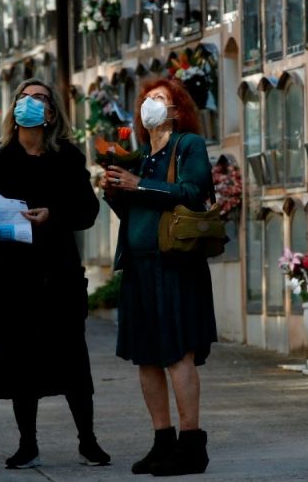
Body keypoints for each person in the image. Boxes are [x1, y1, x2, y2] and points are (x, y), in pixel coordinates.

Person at [0, 78, 110, 469]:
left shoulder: (66, 157)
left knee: (72, 358)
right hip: (15, 277)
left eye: (40, 99)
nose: (31, 104)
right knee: (20, 360)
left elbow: (87, 211)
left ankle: (88, 440)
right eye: (25, 98)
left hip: (59, 273)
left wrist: (53, 215)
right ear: (14, 108)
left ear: (51, 113)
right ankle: (27, 443)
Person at [101, 78, 217, 476]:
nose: (150, 104)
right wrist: (117, 192)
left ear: (176, 110)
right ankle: (162, 439)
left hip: (174, 266)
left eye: (160, 99)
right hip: (139, 266)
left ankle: (191, 444)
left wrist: (139, 184)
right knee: (146, 357)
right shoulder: (140, 156)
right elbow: (137, 212)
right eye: (147, 98)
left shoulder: (187, 146)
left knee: (176, 353)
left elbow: (194, 191)